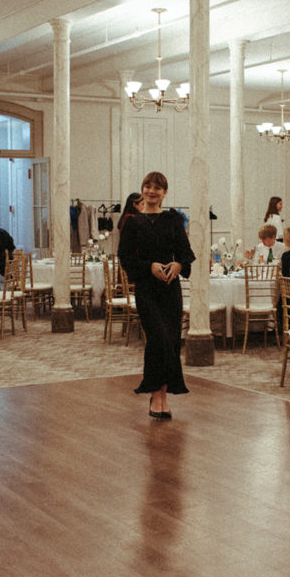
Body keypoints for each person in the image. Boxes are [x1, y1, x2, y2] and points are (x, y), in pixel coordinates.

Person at [118, 171, 194, 420]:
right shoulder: (132, 222)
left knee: (170, 340)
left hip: (170, 289)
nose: (152, 191)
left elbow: (185, 253)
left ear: (165, 192)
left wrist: (178, 266)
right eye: (148, 187)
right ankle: (155, 392)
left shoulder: (173, 220)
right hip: (147, 288)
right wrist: (150, 266)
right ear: (143, 190)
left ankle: (161, 394)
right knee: (158, 338)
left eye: (157, 188)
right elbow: (126, 258)